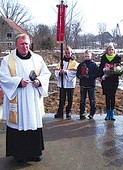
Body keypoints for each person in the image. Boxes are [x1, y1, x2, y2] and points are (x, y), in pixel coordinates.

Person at [0, 33, 51, 165]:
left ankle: (34, 152)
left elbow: (46, 73)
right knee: (19, 125)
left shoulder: (37, 59)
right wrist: (18, 82)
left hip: (33, 97)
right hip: (17, 98)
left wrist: (39, 81)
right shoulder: (7, 60)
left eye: (27, 43)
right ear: (16, 45)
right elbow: (3, 78)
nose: (25, 46)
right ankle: (19, 155)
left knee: (33, 123)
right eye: (22, 44)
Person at [54, 46, 79, 119]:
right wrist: (59, 72)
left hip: (70, 83)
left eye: (69, 53)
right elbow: (56, 70)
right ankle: (60, 112)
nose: (67, 54)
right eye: (66, 53)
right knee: (62, 98)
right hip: (62, 83)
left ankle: (68, 111)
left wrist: (66, 72)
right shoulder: (61, 62)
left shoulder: (74, 63)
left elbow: (74, 72)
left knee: (70, 99)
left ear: (71, 53)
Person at [98, 44, 121, 121]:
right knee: (107, 97)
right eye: (109, 49)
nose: (110, 51)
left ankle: (112, 113)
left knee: (112, 96)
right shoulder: (104, 58)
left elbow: (119, 68)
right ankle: (108, 113)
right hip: (106, 80)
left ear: (114, 50)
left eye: (112, 49)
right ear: (107, 50)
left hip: (114, 80)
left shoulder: (117, 58)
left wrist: (116, 71)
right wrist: (100, 76)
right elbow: (101, 67)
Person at [76, 50, 98, 120]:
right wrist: (80, 76)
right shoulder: (81, 64)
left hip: (91, 85)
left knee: (92, 100)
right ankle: (82, 112)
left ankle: (92, 113)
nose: (87, 57)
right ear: (84, 56)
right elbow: (77, 73)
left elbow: (96, 74)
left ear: (91, 56)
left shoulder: (94, 65)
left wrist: (90, 76)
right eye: (85, 56)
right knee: (82, 100)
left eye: (88, 56)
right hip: (83, 84)